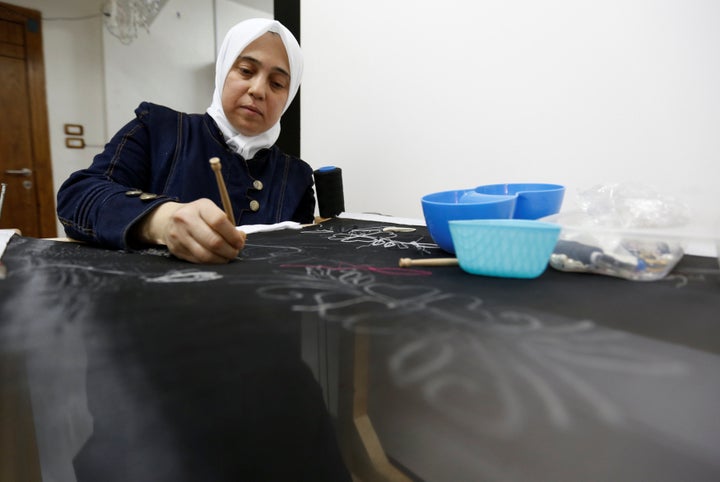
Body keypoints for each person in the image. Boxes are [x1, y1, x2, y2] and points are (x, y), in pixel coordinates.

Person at [57, 18, 315, 264]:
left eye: (277, 83)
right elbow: (77, 197)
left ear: (289, 96)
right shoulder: (158, 130)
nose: (258, 90)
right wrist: (161, 221)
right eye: (246, 70)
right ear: (224, 69)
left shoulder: (295, 177)